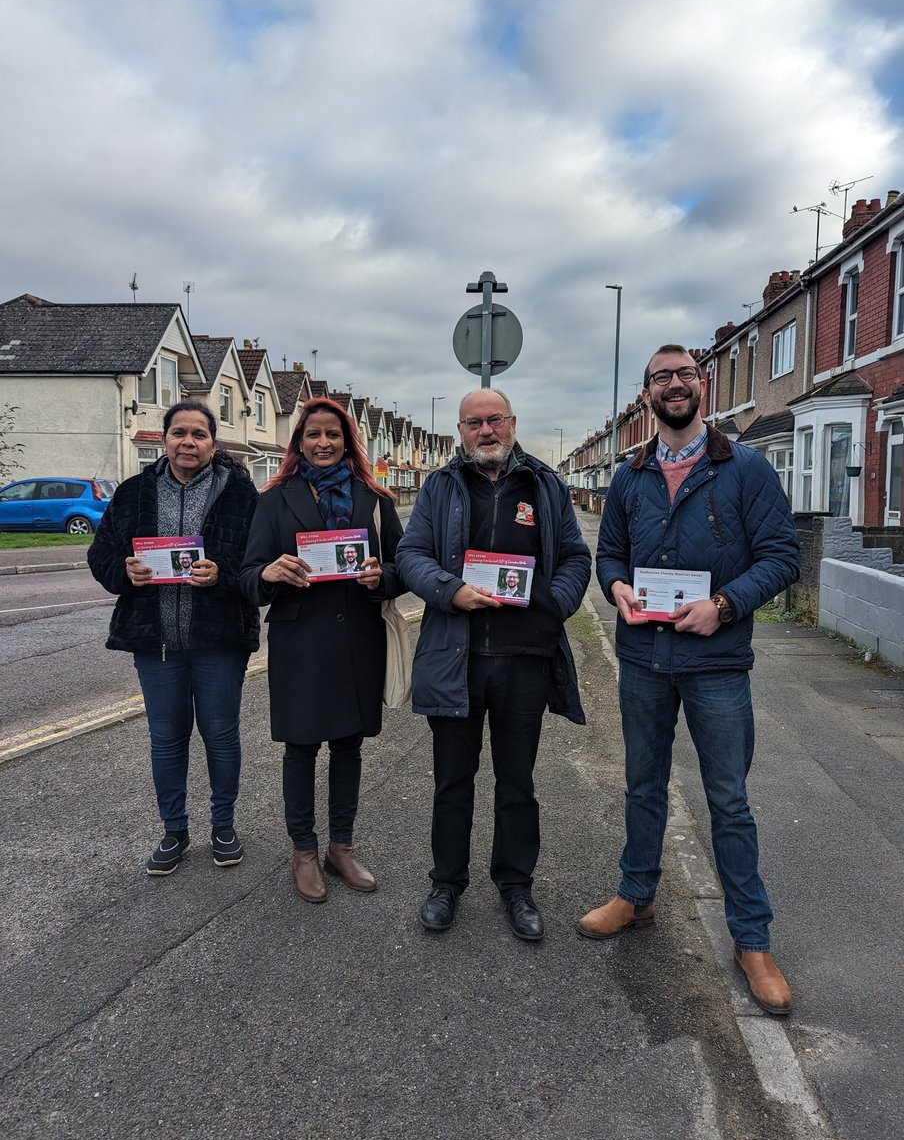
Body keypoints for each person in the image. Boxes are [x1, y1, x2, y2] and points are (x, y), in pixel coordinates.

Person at [577, 345, 801, 1015]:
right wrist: (615, 585)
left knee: (728, 800)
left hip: (716, 664)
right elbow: (608, 551)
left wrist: (725, 606)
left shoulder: (747, 468)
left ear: (699, 386)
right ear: (647, 393)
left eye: (682, 375)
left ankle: (752, 940)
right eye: (660, 378)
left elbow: (782, 556)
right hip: (645, 660)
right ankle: (635, 895)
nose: (672, 386)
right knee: (643, 784)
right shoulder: (630, 474)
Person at [396, 388, 590, 941]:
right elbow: (411, 555)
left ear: (512, 423)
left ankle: (516, 885)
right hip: (457, 657)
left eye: (495, 420)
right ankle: (446, 882)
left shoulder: (546, 485)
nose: (486, 430)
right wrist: (449, 591)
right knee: (452, 780)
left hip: (526, 658)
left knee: (518, 781)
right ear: (461, 431)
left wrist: (556, 603)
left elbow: (576, 555)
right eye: (474, 422)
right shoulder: (439, 486)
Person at [240, 398, 405, 903]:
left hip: (358, 636)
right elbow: (248, 573)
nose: (323, 443)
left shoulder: (374, 499)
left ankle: (342, 846)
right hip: (300, 640)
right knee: (302, 747)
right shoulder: (273, 500)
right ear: (299, 443)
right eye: (313, 434)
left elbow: (405, 566)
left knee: (349, 745)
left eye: (333, 434)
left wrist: (383, 578)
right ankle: (304, 852)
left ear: (347, 439)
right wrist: (267, 574)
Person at [88, 400, 260, 876]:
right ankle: (174, 831)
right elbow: (100, 554)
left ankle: (223, 826)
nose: (189, 442)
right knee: (166, 738)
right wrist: (121, 571)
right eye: (179, 433)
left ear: (213, 443)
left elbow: (258, 566)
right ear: (164, 439)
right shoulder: (132, 493)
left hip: (218, 639)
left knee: (221, 735)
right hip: (155, 640)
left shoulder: (242, 496)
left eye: (199, 435)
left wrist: (221, 574)